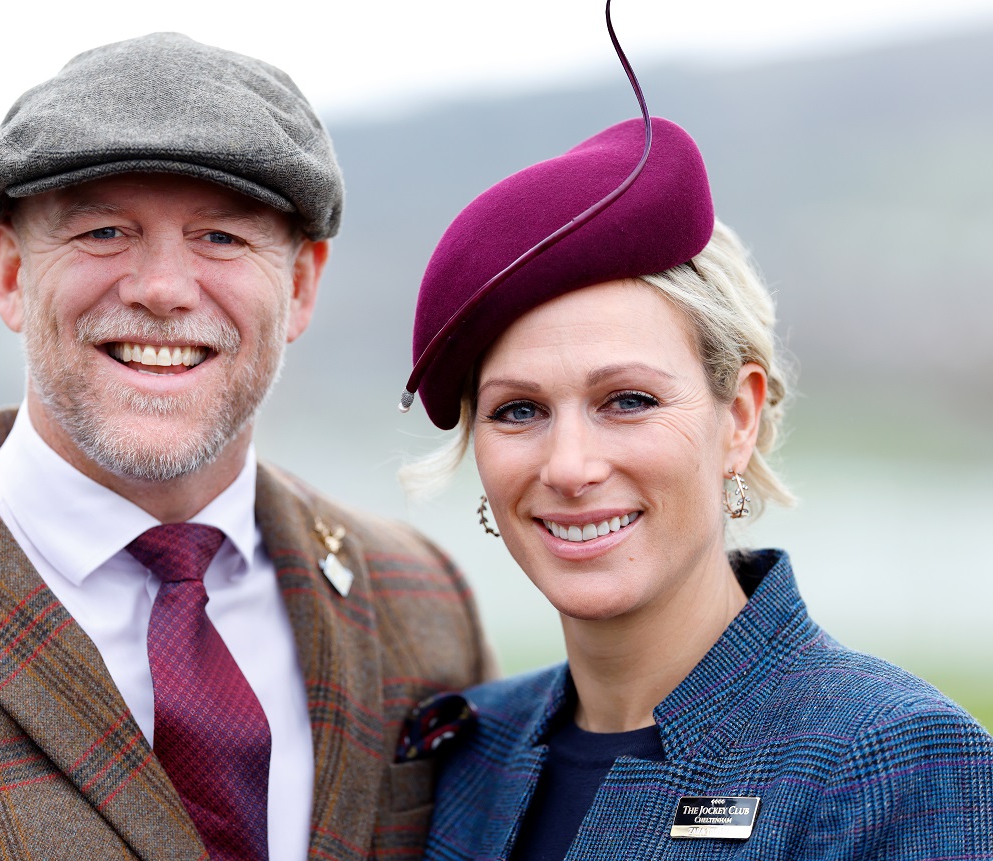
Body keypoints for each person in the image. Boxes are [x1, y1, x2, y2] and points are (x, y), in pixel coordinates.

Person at [0, 33, 491, 860]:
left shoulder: (422, 603)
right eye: (103, 233)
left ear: (300, 287)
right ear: (10, 273)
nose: (162, 288)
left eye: (222, 238)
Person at [399, 110, 993, 859]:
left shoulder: (892, 761)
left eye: (628, 401)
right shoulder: (463, 755)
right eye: (519, 410)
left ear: (738, 418)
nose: (570, 466)